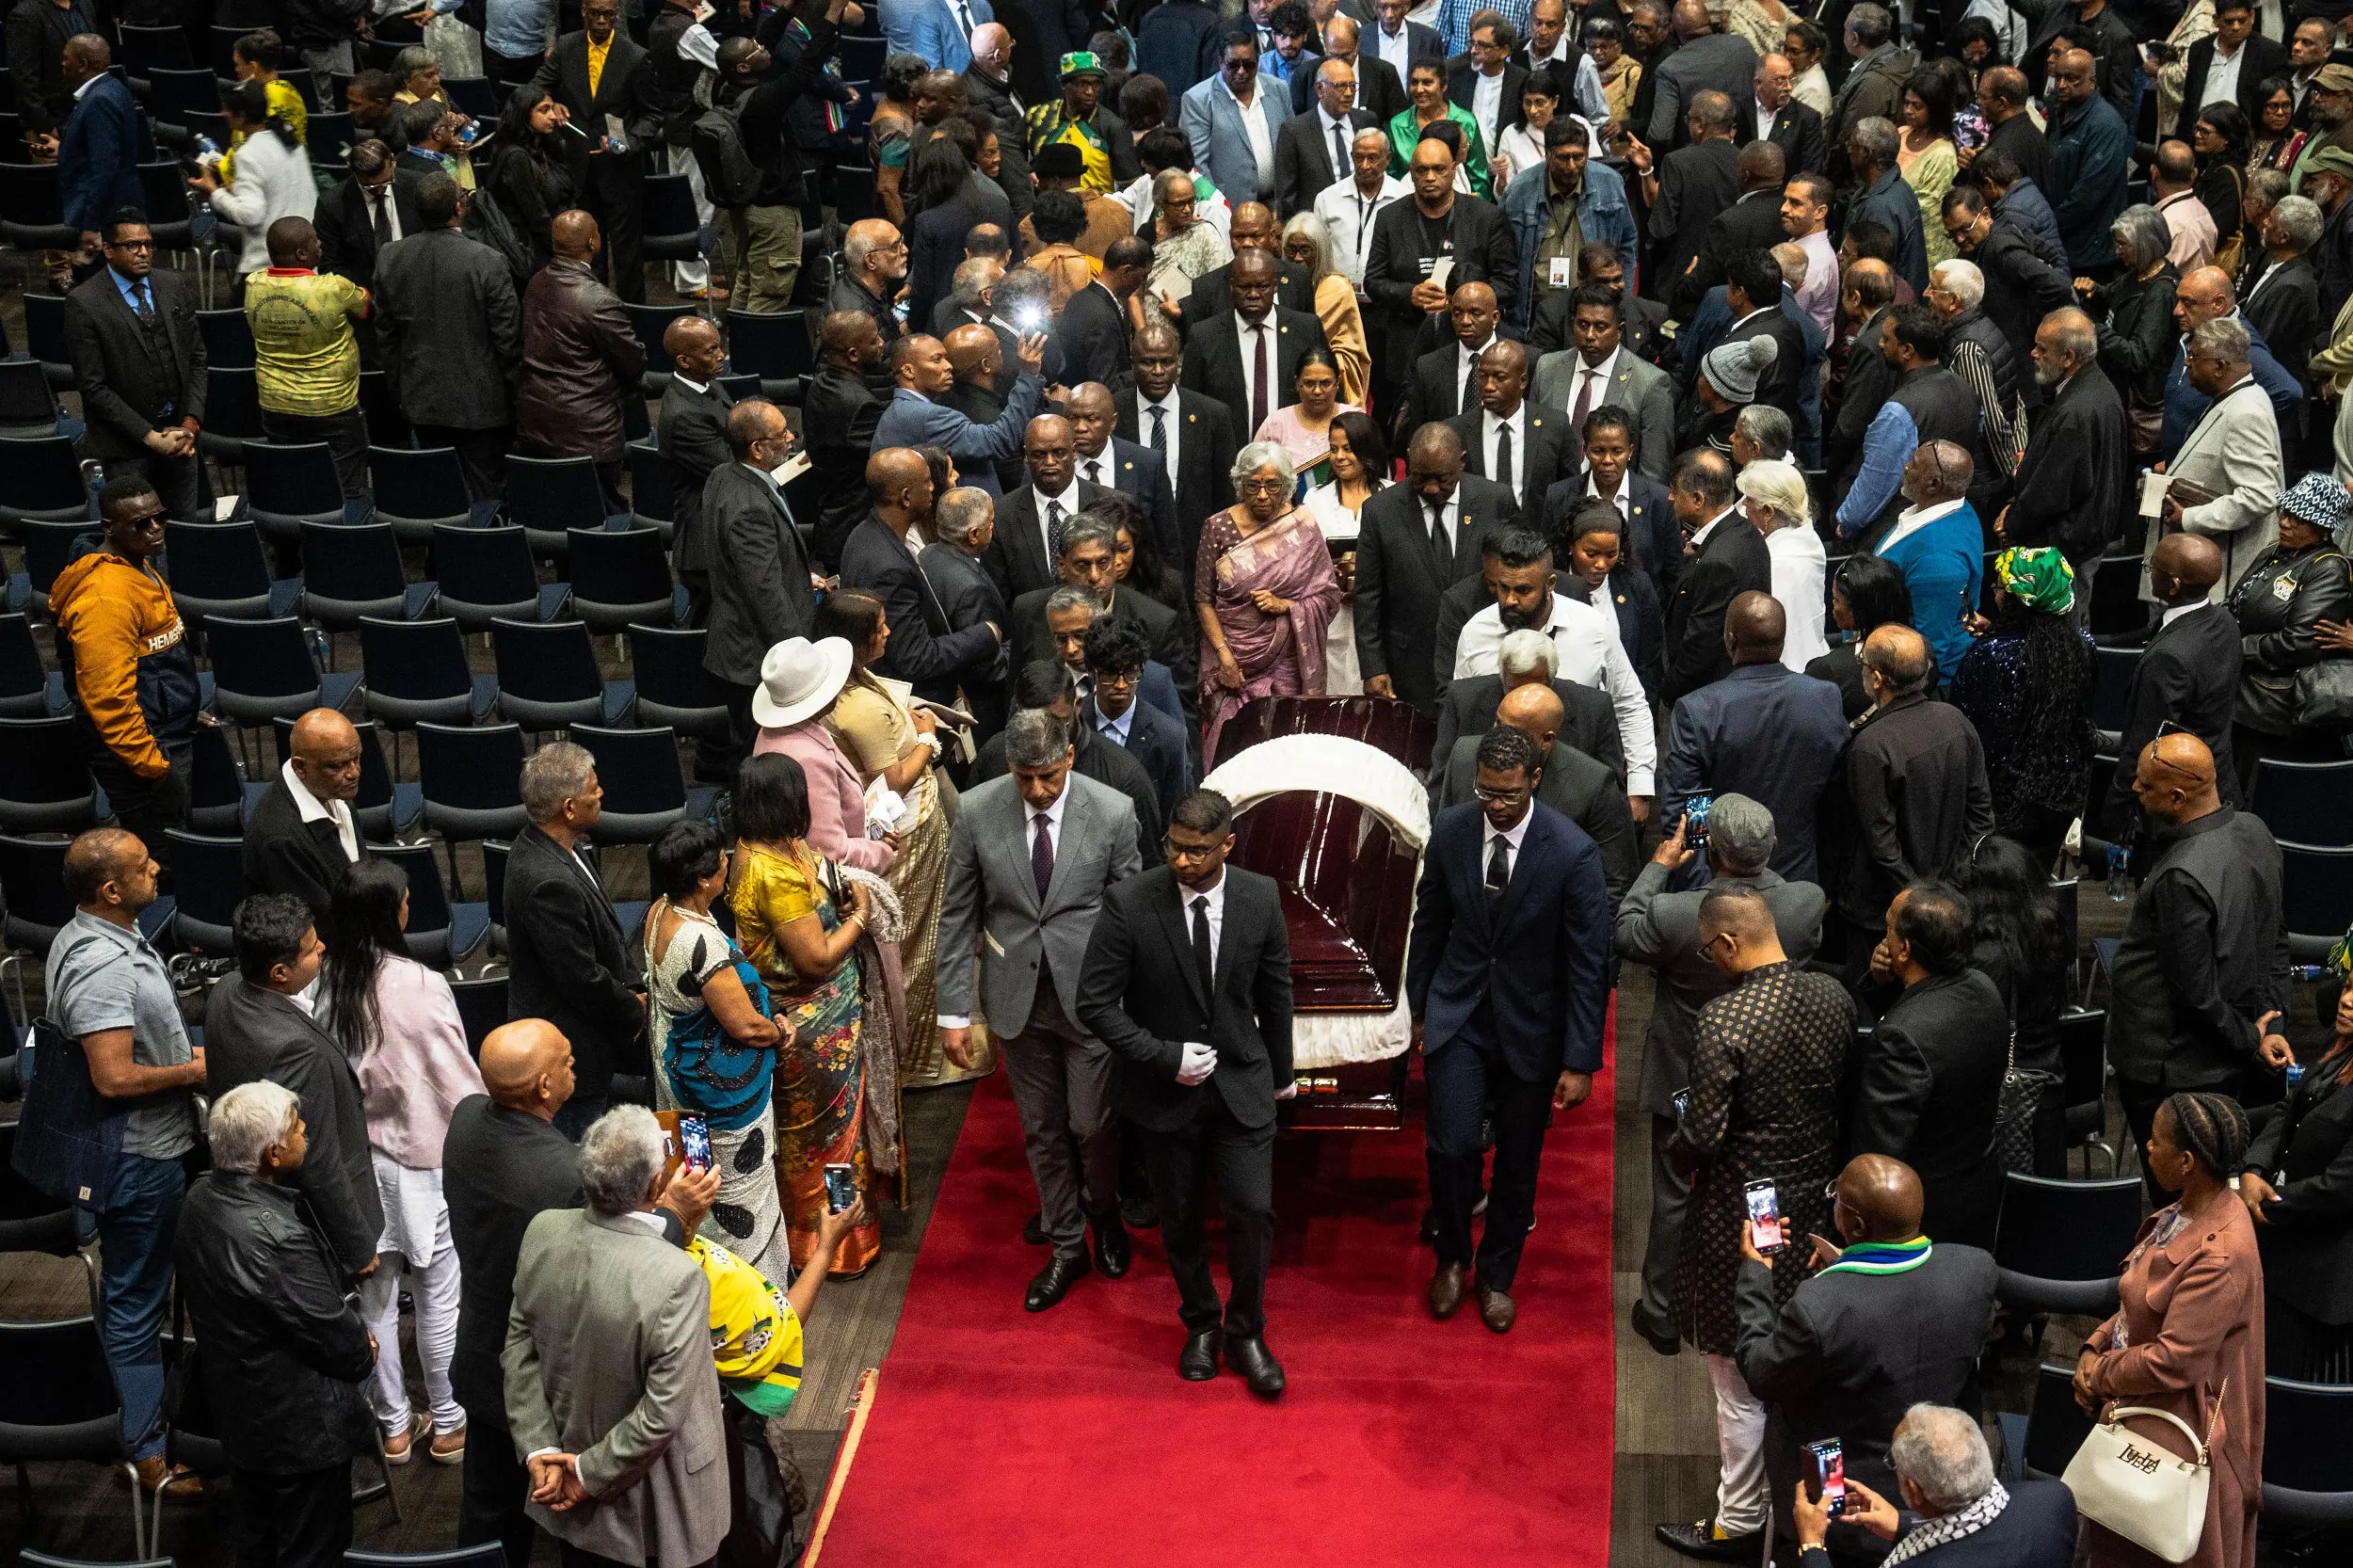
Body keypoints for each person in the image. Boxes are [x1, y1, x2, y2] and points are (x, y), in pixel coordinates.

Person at [1657, 883, 1855, 1563]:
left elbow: (1704, 1135)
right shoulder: (1834, 996)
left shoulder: (1724, 1019)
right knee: (1810, 1363)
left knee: (1736, 1372)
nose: (1710, 961)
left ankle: (1740, 1520)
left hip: (1743, 1215)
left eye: (1711, 950)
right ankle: (1819, 1505)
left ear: (1730, 942)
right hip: (1819, 1208)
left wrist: (1674, 1148)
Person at [1076, 788, 1294, 1395]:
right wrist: (1163, 1056)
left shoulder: (1259, 897)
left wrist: (1281, 1073)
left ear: (1227, 845)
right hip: (1162, 1091)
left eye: (1198, 852)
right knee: (1177, 1217)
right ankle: (1200, 1320)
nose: (1182, 861)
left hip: (1243, 1084)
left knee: (1252, 1211)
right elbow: (1093, 1002)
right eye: (1174, 847)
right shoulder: (1129, 902)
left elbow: (1276, 995)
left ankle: (1246, 1331)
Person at [937, 707, 1143, 1307]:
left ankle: (1103, 1212)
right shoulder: (978, 810)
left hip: (1094, 1002)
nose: (1037, 790)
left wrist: (1133, 1003)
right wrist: (954, 1012)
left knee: (1093, 1125)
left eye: (1048, 776)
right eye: (1025, 777)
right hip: (1014, 999)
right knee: (1042, 1131)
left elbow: (1131, 914)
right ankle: (1066, 1243)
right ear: (1010, 766)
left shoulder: (1112, 812)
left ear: (1070, 757)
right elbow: (957, 915)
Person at [1407, 726, 1609, 1333]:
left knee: (1519, 1162)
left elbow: (1587, 964)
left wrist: (1579, 1060)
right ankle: (1451, 1257)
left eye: (1508, 795)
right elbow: (1430, 922)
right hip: (1460, 1011)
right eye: (1486, 792)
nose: (1495, 805)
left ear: (1534, 781)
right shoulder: (1451, 830)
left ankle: (1496, 1276)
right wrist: (1418, 1008)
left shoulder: (1571, 851)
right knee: (1450, 1145)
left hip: (1532, 1027)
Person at [32, 830, 207, 1496]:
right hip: (138, 1160)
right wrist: (191, 1070)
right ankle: (145, 1451)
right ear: (111, 890)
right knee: (135, 1302)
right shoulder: (102, 968)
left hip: (145, 1151)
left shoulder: (92, 938)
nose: (156, 868)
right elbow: (111, 1077)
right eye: (142, 866)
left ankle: (139, 1423)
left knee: (131, 1295)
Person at [1617, 795, 1823, 1354]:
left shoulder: (1677, 914)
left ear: (1709, 848)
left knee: (1674, 1196)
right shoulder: (1804, 905)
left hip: (1684, 1076)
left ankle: (1660, 1312)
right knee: (1761, 1191)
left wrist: (1661, 862)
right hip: (1770, 1076)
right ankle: (1762, 1301)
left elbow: (1625, 928)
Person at [1731, 1158, 2002, 1562]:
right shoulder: (1975, 1268)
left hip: (1843, 1496)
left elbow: (1760, 1372)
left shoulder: (1819, 1307)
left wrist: (1756, 1273)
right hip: (1944, 1476)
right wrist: (1849, 1273)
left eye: (1835, 1198)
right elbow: (1903, 1314)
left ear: (1855, 1225)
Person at [504, 1107, 729, 1567]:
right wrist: (587, 1474)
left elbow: (518, 1351)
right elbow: (663, 1411)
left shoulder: (542, 1231)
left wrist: (541, 1450)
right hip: (659, 1505)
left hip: (564, 1489)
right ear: (654, 1186)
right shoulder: (677, 1277)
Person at [173, 1081, 376, 1568]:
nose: (305, 1130)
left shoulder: (198, 1198)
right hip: (301, 1433)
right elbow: (342, 1346)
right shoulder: (277, 1238)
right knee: (311, 1553)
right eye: (296, 1126)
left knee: (258, 1543)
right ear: (273, 1153)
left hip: (241, 1414)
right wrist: (363, 1346)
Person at [319, 857, 480, 1467]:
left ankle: (392, 1427)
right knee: (439, 1297)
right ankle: (448, 1424)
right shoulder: (419, 983)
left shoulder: (324, 984)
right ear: (393, 912)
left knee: (375, 1301)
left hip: (355, 1170)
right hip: (422, 1167)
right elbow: (457, 1082)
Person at [2076, 1092, 2266, 1568]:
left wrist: (2098, 1374)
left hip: (2179, 1426)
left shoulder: (2221, 1254)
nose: (2147, 1145)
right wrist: (2094, 1344)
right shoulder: (2189, 1210)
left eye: (2157, 1141)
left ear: (2185, 1161)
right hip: (2141, 1397)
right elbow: (2139, 1304)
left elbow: (2172, 1361)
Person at [730, 749, 891, 1277]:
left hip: (830, 1019)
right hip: (810, 1028)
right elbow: (817, 958)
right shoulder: (768, 871)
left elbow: (820, 902)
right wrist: (863, 916)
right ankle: (829, 1246)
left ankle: (840, 1234)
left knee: (836, 1133)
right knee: (826, 1140)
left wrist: (839, 905)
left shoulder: (780, 847)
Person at [2107, 734, 2292, 1183]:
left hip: (2172, 1068)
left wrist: (2251, 1038)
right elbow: (2277, 942)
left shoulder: (2181, 877)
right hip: (2228, 1052)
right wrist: (2272, 1023)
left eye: (2146, 786)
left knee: (2180, 1197)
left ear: (2177, 796)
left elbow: (2194, 995)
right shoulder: (2256, 831)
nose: (2134, 788)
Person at [640, 815, 798, 1285]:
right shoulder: (702, 942)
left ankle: (705, 1289)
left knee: (695, 1184)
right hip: (722, 1107)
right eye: (720, 861)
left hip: (679, 1094)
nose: (728, 862)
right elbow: (745, 1027)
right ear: (704, 879)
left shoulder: (657, 914)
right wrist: (780, 1031)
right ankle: (754, 1304)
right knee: (739, 1198)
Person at [204, 892, 382, 1283]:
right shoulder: (295, 1048)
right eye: (310, 949)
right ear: (280, 972)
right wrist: (356, 1244)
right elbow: (315, 1154)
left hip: (247, 1198)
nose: (322, 947)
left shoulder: (226, 989)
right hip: (303, 1221)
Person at [49, 477, 201, 862]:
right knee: (160, 864)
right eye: (140, 523)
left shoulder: (136, 565)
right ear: (109, 528)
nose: (154, 529)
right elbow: (109, 701)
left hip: (162, 729)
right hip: (141, 755)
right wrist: (155, 770)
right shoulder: (106, 598)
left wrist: (183, 709)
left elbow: (149, 660)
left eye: (159, 517)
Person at [1851, 883, 2008, 1249]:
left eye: (1888, 927)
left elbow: (1880, 1157)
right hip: (1980, 1188)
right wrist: (1885, 984)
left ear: (1904, 948)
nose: (1883, 937)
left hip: (1922, 1217)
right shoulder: (1983, 987)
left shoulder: (1899, 1039)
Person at [1448, 524, 1657, 795]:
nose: (1510, 600)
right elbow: (1461, 714)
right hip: (1500, 789)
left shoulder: (1593, 628)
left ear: (1550, 585)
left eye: (1523, 590)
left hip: (1577, 787)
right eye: (1503, 588)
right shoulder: (1475, 633)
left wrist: (1640, 786)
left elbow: (1629, 703)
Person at [504, 742, 645, 1141]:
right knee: (577, 1163)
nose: (601, 795)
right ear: (568, 807)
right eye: (593, 789)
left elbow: (608, 934)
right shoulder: (548, 880)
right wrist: (632, 1007)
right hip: (571, 1054)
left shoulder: (556, 846)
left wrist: (632, 984)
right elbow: (580, 977)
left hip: (584, 1035)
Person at [1835, 624, 1994, 974]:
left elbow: (1882, 846)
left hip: (1883, 915)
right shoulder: (1957, 721)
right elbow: (1981, 820)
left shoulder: (1871, 746)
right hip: (1950, 900)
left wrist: (1918, 901)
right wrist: (1948, 889)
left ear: (1876, 679)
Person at [1660, 592, 1848, 884]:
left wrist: (1700, 884)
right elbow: (1835, 799)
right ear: (1783, 641)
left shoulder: (1699, 710)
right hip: (1799, 879)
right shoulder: (1825, 697)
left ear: (1730, 639)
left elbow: (1691, 809)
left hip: (1721, 880)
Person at [372, 173, 521, 503]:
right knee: (486, 496)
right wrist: (512, 394)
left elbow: (386, 337)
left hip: (421, 396)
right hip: (481, 403)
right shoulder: (488, 261)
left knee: (437, 494)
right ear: (459, 208)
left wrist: (402, 388)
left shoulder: (389, 257)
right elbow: (507, 340)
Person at [1355, 423, 1520, 714]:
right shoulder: (1380, 510)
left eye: (1442, 478)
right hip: (1410, 665)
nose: (1431, 488)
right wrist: (1373, 667)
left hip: (1485, 658)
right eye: (1420, 477)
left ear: (1462, 461)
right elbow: (1368, 594)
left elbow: (1519, 569)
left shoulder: (1496, 500)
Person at [1193, 440, 1346, 757]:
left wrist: (1288, 606)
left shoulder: (1303, 526)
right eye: (1253, 486)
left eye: (1272, 486)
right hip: (1233, 659)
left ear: (1288, 486)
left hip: (1287, 663)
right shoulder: (1218, 527)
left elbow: (1328, 595)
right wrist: (1224, 657)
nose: (1263, 496)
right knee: (1230, 746)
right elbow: (1203, 599)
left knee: (1284, 745)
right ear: (1240, 485)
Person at [1790, 1404, 2078, 1568]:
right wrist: (1904, 1525)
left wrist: (1812, 1545)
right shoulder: (2054, 1499)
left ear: (1914, 1492)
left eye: (1895, 1464)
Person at [1949, 547, 2095, 862]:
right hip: (2062, 794)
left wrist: (1994, 643)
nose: (1996, 593)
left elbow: (1965, 724)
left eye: (2000, 587)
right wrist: (1997, 634)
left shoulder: (1991, 656)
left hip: (2003, 802)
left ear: (2016, 598)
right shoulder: (2082, 646)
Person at [1433, 680, 1639, 900]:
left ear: (1546, 740)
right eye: (1497, 723)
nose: (1499, 737)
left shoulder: (1593, 784)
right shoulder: (1465, 756)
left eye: (1513, 732)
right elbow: (1443, 851)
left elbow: (1615, 883)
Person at [2240, 977, 2353, 1380]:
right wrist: (2252, 1171)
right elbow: (2285, 1113)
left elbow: (2340, 1188)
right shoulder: (2339, 1054)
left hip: (2320, 1283)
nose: (2347, 1001)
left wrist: (2265, 1200)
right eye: (2348, 988)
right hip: (2282, 1245)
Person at [63, 211, 207, 520]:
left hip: (180, 440)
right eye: (132, 245)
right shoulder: (84, 302)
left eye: (148, 244)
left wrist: (189, 424)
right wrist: (150, 437)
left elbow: (196, 358)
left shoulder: (172, 286)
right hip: (126, 449)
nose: (143, 252)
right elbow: (93, 387)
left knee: (185, 536)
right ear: (109, 250)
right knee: (135, 542)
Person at [703, 400, 819, 766]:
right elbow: (764, 592)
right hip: (758, 658)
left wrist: (802, 576)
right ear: (757, 448)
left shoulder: (723, 474)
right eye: (782, 433)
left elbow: (753, 565)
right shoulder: (750, 506)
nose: (790, 439)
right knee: (765, 761)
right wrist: (803, 663)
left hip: (739, 640)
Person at [2110, 535, 2246, 831]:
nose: (2149, 570)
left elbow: (2146, 742)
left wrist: (2116, 812)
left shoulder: (2169, 659)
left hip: (2174, 808)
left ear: (2173, 586)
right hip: (2217, 784)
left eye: (2153, 568)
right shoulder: (2225, 622)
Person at [513, 210, 644, 513]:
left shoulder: (535, 283)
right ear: (593, 242)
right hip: (588, 429)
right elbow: (634, 361)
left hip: (537, 418)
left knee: (556, 511)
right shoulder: (599, 302)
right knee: (599, 515)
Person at [237, 216, 370, 506]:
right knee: (346, 489)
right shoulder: (332, 288)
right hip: (333, 406)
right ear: (301, 254)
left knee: (293, 483)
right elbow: (365, 306)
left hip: (276, 404)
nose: (320, 244)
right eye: (314, 241)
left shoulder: (253, 284)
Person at [528, 0, 653, 301]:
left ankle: (632, 324)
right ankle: (590, 320)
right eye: (594, 14)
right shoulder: (565, 47)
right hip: (577, 166)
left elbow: (652, 116)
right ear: (583, 12)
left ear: (617, 15)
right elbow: (534, 89)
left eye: (607, 14)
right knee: (586, 254)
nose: (600, 20)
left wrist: (628, 143)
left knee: (627, 257)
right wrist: (550, 103)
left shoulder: (635, 57)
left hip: (620, 169)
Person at [2230, 472, 2353, 774]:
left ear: (2323, 528)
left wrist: (2232, 648)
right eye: (2285, 512)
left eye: (2299, 518)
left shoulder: (2329, 569)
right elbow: (2238, 602)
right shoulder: (2274, 552)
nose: (2285, 522)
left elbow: (2300, 643)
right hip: (2240, 688)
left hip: (2275, 703)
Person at [2157, 315, 2288, 599]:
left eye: (2194, 357)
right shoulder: (2232, 398)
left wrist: (2189, 517)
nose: (2187, 364)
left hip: (2219, 573)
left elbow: (2261, 495)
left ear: (2219, 366)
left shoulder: (2245, 412)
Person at [1999, 308, 2130, 569]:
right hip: (2081, 540)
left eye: (2042, 349)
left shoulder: (2076, 411)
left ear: (2068, 357)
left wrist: (2012, 520)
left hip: (2064, 551)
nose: (2033, 354)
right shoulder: (2095, 387)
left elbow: (2052, 491)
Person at [1662, 447, 1773, 702]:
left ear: (1698, 499)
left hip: (1706, 696)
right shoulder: (1747, 531)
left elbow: (1701, 646)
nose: (1670, 497)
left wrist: (1667, 691)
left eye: (1676, 492)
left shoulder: (1717, 562)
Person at [1534, 286, 1676, 483]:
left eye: (1600, 327)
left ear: (1619, 330)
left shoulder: (1650, 383)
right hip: (1552, 499)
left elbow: (1653, 472)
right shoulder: (1547, 369)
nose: (1590, 335)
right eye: (1582, 325)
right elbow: (1533, 448)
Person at [241, 707, 364, 920]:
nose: (354, 773)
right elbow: (318, 927)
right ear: (300, 767)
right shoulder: (281, 841)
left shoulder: (331, 792)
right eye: (337, 765)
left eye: (357, 758)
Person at [1086, 616, 1192, 824]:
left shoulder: (1169, 738)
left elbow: (1174, 818)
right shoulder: (1071, 725)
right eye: (1110, 674)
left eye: (1131, 673)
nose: (1121, 684)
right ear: (1091, 672)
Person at [1734, 459, 1829, 670]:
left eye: (1748, 500)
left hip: (1789, 667)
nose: (1744, 506)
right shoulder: (1807, 537)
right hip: (1814, 656)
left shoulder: (1778, 563)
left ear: (1768, 511)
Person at [2043, 49, 2132, 275]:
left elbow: (2087, 196)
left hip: (2089, 252)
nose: (2062, 84)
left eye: (2072, 78)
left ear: (2092, 80)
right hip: (2062, 240)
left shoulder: (2106, 125)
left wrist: (2046, 225)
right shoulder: (2059, 110)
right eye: (2059, 77)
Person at [481, 85, 579, 273]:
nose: (552, 116)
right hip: (535, 253)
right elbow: (537, 217)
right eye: (543, 110)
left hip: (556, 242)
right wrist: (567, 253)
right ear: (524, 114)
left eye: (551, 108)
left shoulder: (546, 146)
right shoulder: (516, 157)